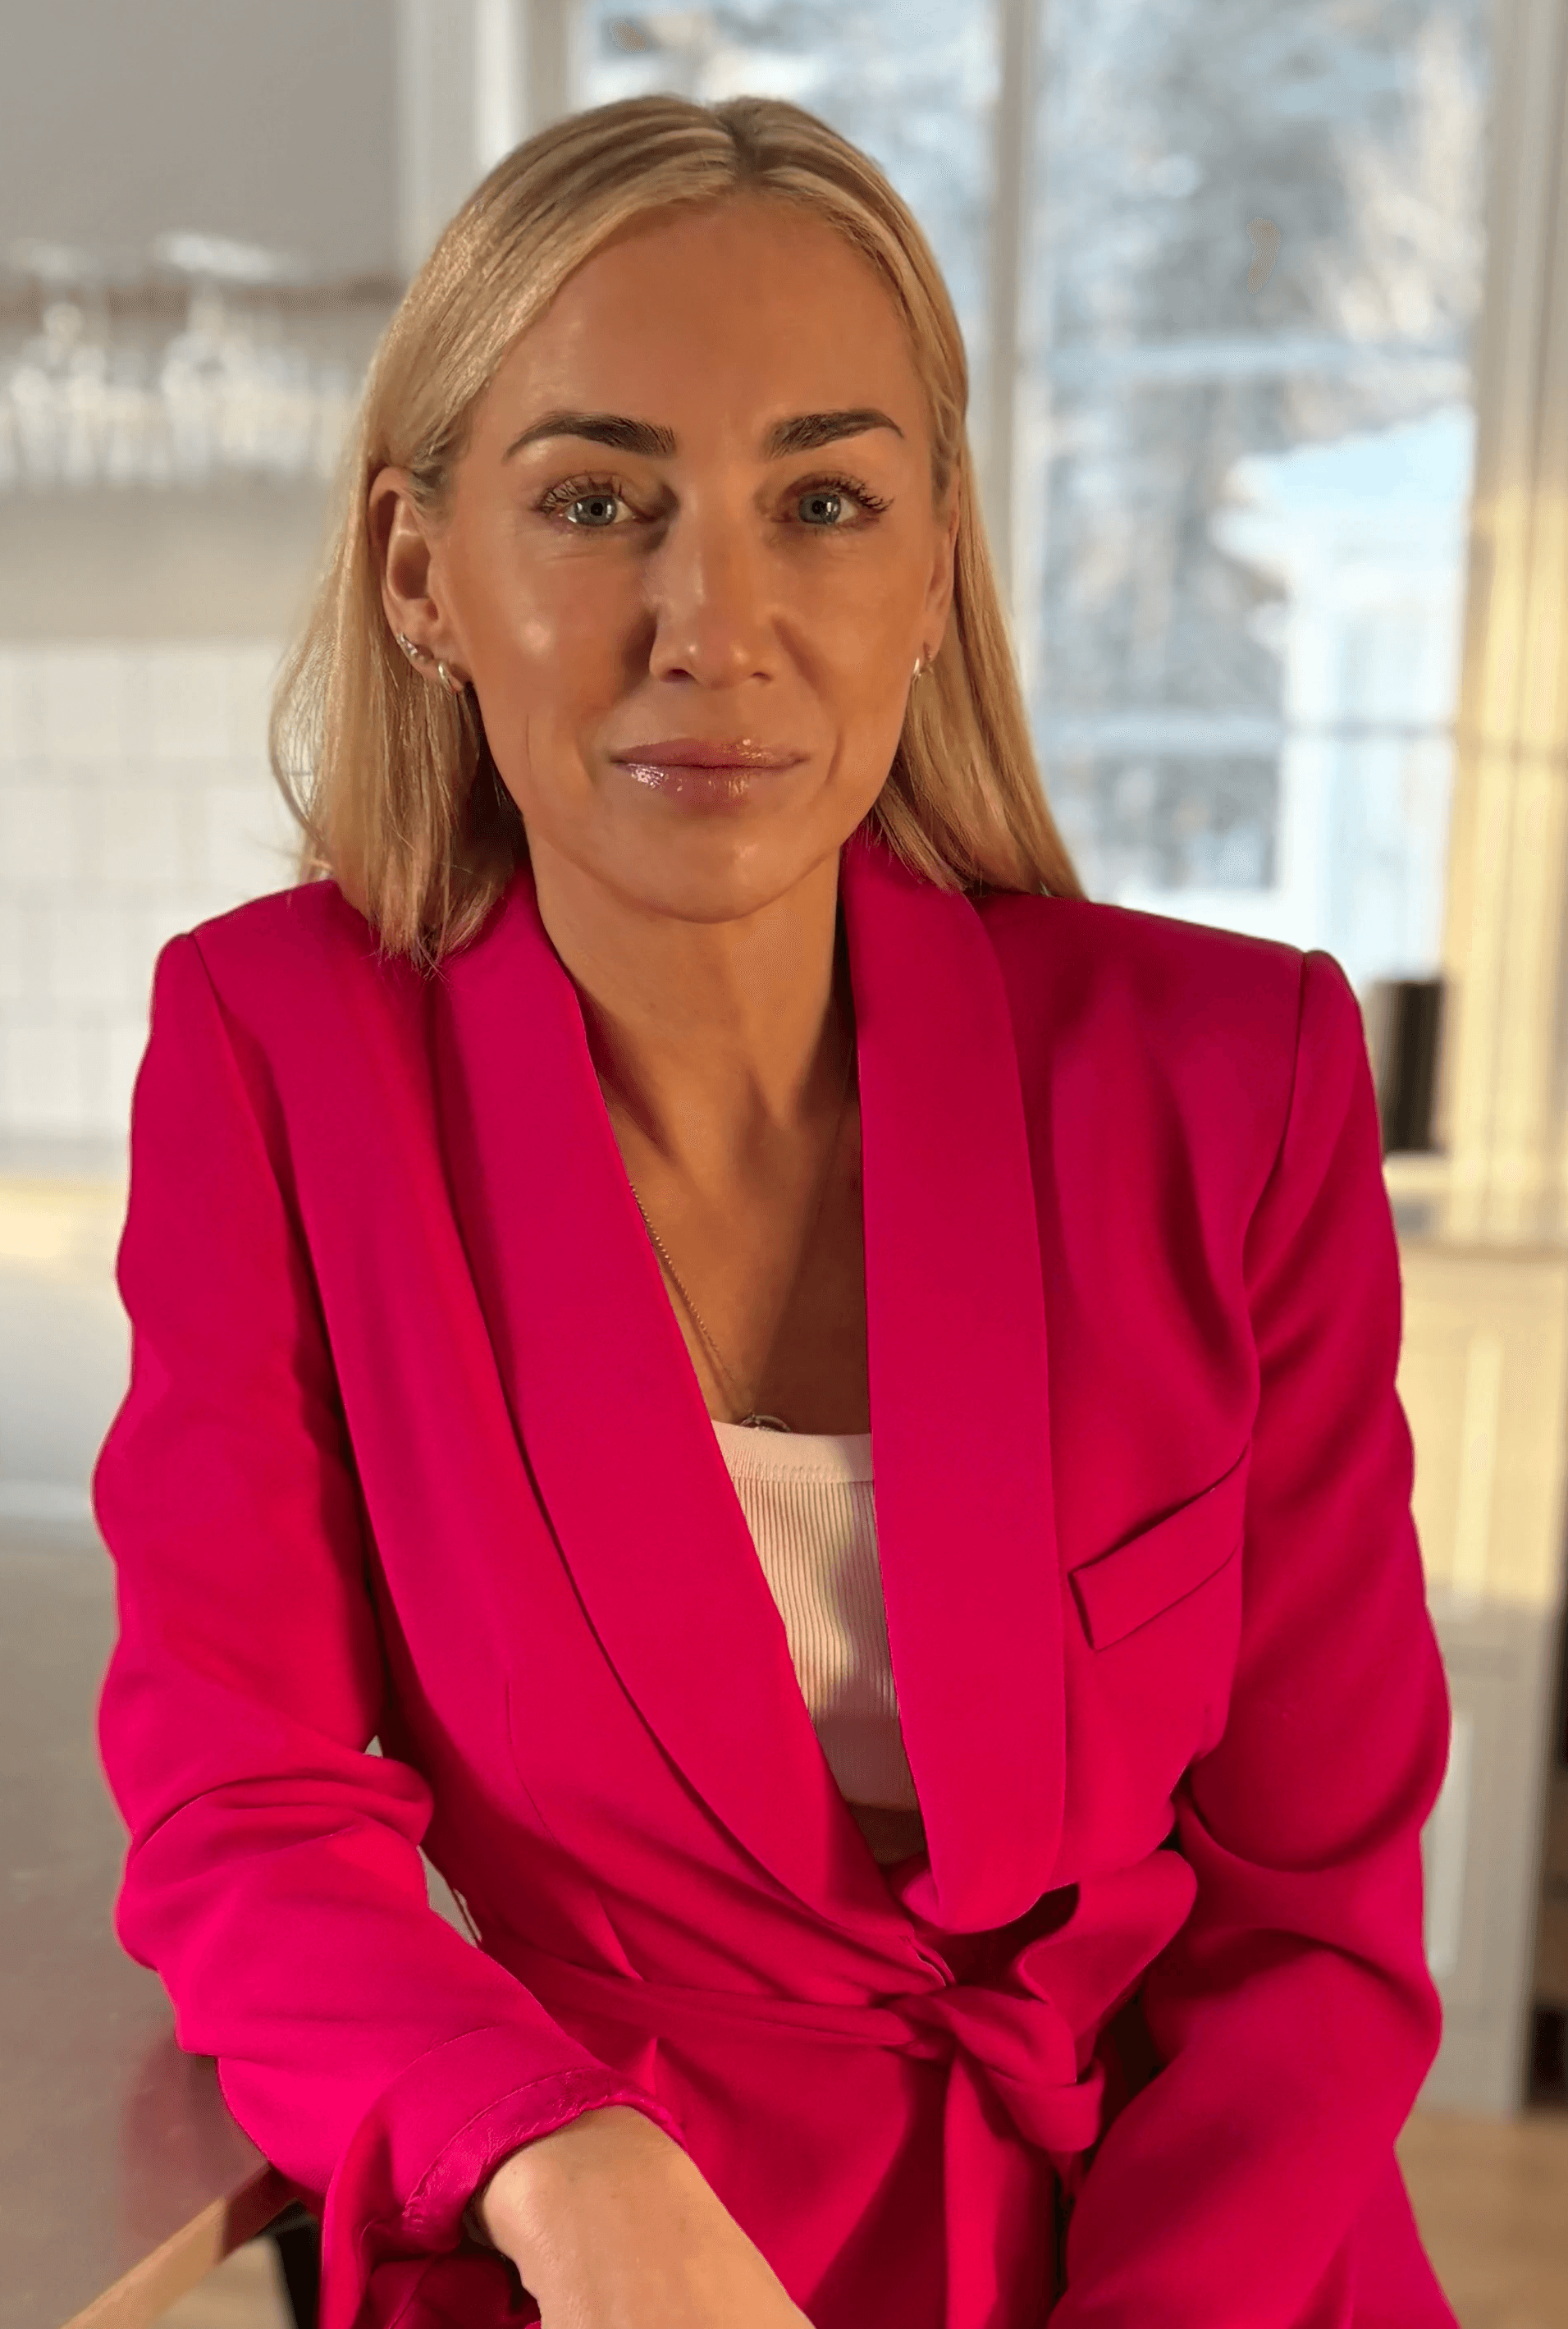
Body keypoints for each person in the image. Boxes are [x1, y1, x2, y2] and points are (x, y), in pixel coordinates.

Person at [94, 93, 1456, 2329]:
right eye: (595, 502)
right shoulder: (278, 1055)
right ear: (423, 573)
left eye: (820, 503)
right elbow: (245, 1805)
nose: (712, 625)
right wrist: (556, 2154)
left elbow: (1308, 1918)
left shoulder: (1238, 1079)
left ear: (932, 568)